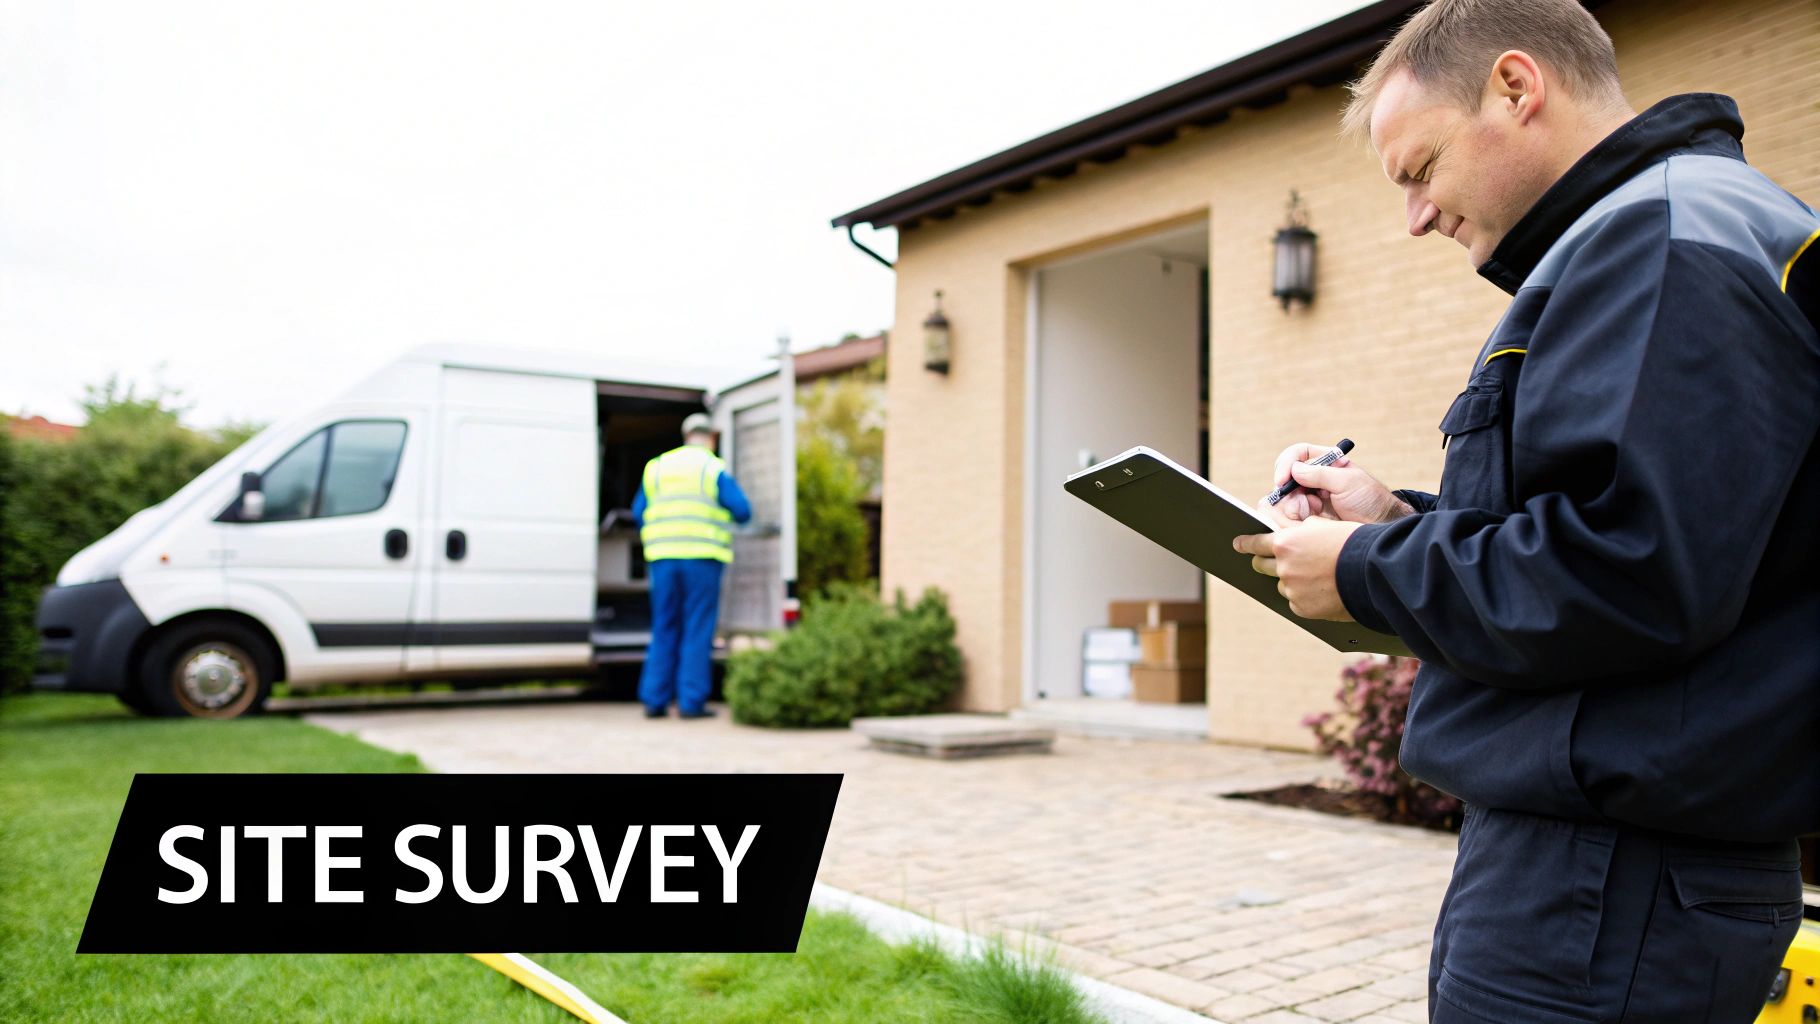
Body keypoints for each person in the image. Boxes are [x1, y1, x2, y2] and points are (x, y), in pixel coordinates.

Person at [1231, 1, 1819, 1020]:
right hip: (1606, 875)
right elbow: (1615, 530)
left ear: (1514, 87)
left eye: (1418, 171)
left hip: (1605, 887)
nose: (1412, 215)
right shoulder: (1656, 236)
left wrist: (1365, 570)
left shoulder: (1663, 244)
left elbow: (1628, 571)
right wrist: (1389, 521)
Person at [631, 412, 752, 719]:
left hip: (662, 559)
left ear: (685, 435)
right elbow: (742, 511)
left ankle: (654, 700)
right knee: (697, 627)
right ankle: (690, 703)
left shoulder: (656, 467)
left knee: (664, 626)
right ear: (711, 437)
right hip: (702, 557)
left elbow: (638, 511)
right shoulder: (712, 467)